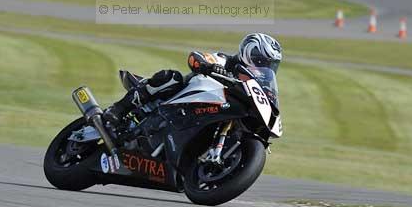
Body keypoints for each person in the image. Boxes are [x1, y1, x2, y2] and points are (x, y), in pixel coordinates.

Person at [103, 32, 282, 130]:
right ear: (249, 53)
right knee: (172, 78)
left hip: (209, 115)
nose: (263, 67)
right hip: (180, 102)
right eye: (261, 61)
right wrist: (208, 66)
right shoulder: (225, 60)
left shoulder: (254, 85)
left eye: (269, 65)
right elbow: (195, 57)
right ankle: (119, 109)